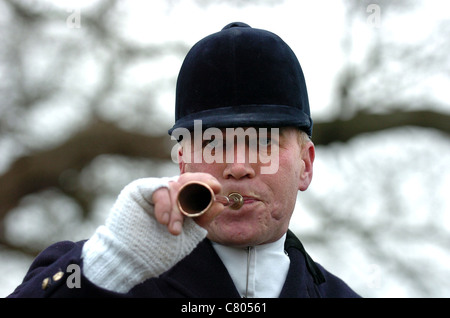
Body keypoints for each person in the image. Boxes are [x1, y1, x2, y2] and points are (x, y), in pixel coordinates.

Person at [8, 22, 360, 298]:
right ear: (183, 164)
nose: (238, 167)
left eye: (263, 143)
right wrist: (109, 268)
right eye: (214, 144)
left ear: (306, 165)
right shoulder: (96, 271)